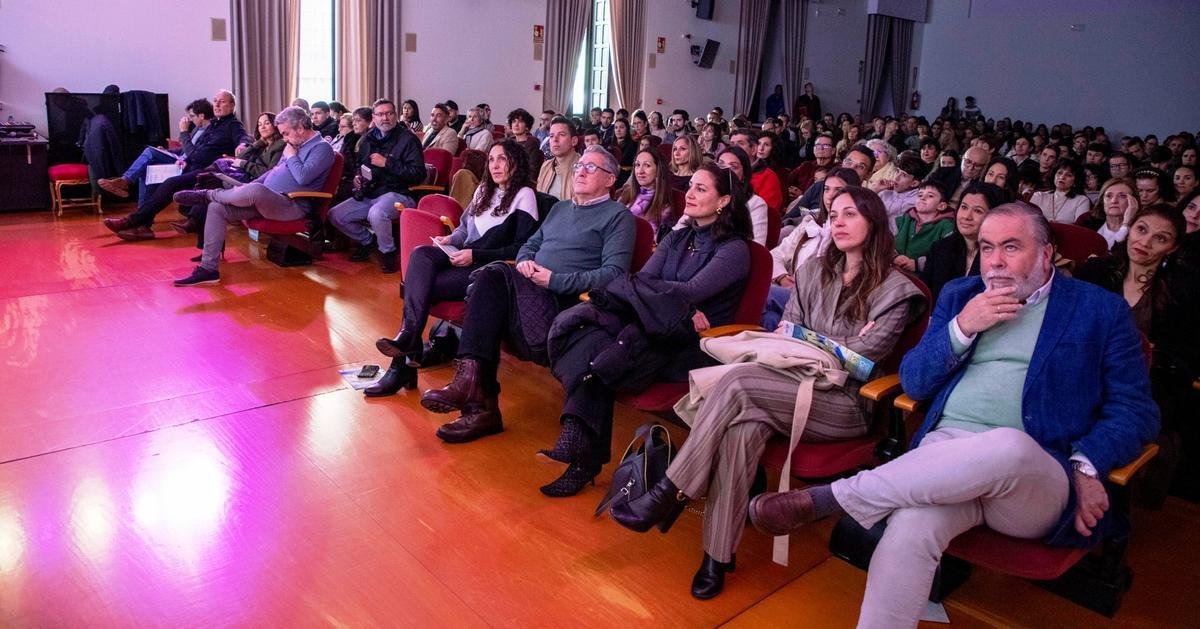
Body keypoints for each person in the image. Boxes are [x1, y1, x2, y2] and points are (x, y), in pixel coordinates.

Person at [746, 201, 1158, 629]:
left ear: (1047, 252)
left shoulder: (1098, 311)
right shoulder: (961, 295)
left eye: (1011, 247)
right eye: (986, 247)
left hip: (1034, 474)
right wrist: (962, 327)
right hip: (945, 457)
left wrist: (1087, 464)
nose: (994, 261)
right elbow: (915, 382)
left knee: (1009, 446)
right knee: (909, 528)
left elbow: (1136, 409)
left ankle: (838, 497)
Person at [610, 186, 926, 600]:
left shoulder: (898, 291)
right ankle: (716, 556)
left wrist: (814, 340)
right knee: (742, 430)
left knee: (737, 381)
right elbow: (787, 334)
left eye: (851, 214)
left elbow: (865, 360)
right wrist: (832, 343)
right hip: (783, 383)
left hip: (844, 404)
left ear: (876, 222)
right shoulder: (813, 272)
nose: (839, 222)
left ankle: (671, 488)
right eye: (834, 215)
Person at [543, 162, 753, 496]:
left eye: (702, 188)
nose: (691, 194)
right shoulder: (679, 236)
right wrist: (674, 301)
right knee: (593, 339)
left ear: (724, 201)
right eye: (691, 186)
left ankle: (582, 455)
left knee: (611, 356)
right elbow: (645, 279)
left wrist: (674, 300)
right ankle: (578, 443)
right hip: (654, 327)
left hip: (692, 345)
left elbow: (692, 290)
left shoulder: (735, 250)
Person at [419, 146, 636, 443]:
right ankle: (477, 399)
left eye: (590, 168)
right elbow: (528, 246)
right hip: (530, 288)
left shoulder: (618, 217)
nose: (580, 172)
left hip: (564, 301)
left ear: (610, 179)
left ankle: (477, 398)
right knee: (489, 279)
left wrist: (555, 280)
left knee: (491, 276)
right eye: (578, 167)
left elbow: (614, 274)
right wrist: (524, 263)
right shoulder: (560, 208)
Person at [369, 141, 541, 396]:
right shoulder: (484, 189)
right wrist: (451, 240)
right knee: (421, 254)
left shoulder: (525, 195)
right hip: (463, 256)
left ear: (516, 163)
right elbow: (463, 229)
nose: (495, 165)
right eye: (491, 159)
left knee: (421, 287)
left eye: (502, 159)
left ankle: (403, 359)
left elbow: (521, 248)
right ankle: (409, 339)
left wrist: (475, 255)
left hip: (487, 269)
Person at [172, 106, 336, 286]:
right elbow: (273, 172)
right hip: (266, 201)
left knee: (256, 191)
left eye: (286, 133)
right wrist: (249, 186)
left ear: (300, 128)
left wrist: (290, 157)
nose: (284, 139)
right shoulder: (294, 144)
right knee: (217, 208)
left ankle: (208, 194)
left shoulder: (322, 148)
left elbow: (303, 177)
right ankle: (208, 269)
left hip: (292, 205)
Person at [100, 91, 251, 240]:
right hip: (191, 165)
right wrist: (180, 155)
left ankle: (132, 220)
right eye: (215, 100)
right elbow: (193, 150)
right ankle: (142, 225)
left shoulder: (233, 124)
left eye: (222, 101)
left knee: (170, 182)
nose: (217, 104)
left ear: (232, 106)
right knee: (150, 174)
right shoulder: (213, 125)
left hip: (207, 171)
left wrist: (242, 145)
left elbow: (243, 138)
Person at [328, 99, 426, 273]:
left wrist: (387, 163)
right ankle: (368, 241)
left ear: (395, 115)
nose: (385, 118)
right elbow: (361, 164)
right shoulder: (368, 138)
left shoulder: (408, 139)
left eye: (389, 113)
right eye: (380, 114)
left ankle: (388, 252)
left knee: (377, 213)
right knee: (336, 214)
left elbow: (418, 175)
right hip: (371, 190)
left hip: (400, 193)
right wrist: (359, 176)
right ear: (374, 117)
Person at [763, 167, 861, 330]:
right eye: (827, 189)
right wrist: (782, 277)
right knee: (769, 318)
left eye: (839, 190)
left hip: (819, 301)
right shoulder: (811, 223)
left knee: (763, 294)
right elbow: (775, 254)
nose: (830, 195)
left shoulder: (850, 233)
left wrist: (801, 287)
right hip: (792, 291)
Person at [170, 111, 286, 237]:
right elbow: (241, 156)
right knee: (211, 182)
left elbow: (269, 173)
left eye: (267, 123)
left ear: (275, 126)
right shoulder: (262, 145)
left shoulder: (280, 146)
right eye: (259, 124)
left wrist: (244, 164)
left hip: (255, 184)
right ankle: (194, 217)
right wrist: (257, 143)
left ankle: (194, 211)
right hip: (246, 177)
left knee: (210, 181)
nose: (262, 127)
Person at [1076, 204, 1185, 336]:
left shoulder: (1180, 290)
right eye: (1141, 229)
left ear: (1172, 248)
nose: (1145, 243)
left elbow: (1180, 349)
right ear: (1129, 229)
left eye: (1161, 238)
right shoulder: (1095, 269)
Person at [921, 182, 1007, 301]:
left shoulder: (1001, 258)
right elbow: (926, 296)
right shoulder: (940, 248)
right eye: (964, 207)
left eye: (978, 211)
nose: (967, 216)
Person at [894, 181, 955, 272]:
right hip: (892, 270)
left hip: (923, 279)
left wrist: (918, 264)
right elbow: (884, 242)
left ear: (941, 206)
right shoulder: (902, 219)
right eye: (920, 195)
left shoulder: (946, 227)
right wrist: (894, 256)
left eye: (930, 196)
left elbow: (946, 256)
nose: (923, 198)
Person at [618, 148, 676, 240]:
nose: (640, 171)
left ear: (658, 170)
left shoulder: (664, 205)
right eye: (637, 165)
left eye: (647, 166)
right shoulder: (626, 193)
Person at [715, 147, 769, 246]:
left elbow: (756, 247)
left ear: (744, 175)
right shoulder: (706, 194)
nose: (726, 171)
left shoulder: (756, 204)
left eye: (733, 167)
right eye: (721, 164)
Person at [729, 129, 782, 212]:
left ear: (753, 149)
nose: (734, 148)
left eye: (740, 144)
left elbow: (769, 213)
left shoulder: (768, 176)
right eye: (732, 144)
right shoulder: (722, 171)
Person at [1082, 177, 1139, 248]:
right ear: (1102, 201)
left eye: (1122, 196)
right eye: (1109, 196)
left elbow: (1114, 254)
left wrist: (1126, 225)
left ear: (1134, 202)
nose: (1114, 201)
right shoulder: (1089, 223)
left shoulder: (1139, 230)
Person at [877, 154, 925, 232]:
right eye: (897, 171)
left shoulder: (917, 201)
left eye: (904, 175)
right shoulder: (884, 193)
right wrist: (875, 190)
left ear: (914, 183)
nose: (896, 177)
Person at [536, 116, 580, 200]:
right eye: (551, 136)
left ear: (574, 141)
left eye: (561, 135)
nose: (555, 139)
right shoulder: (546, 166)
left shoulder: (583, 168)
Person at [610, 118, 638, 188]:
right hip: (610, 175)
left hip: (626, 176)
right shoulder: (609, 144)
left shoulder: (634, 145)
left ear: (627, 129)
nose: (618, 130)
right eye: (616, 127)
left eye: (621, 127)